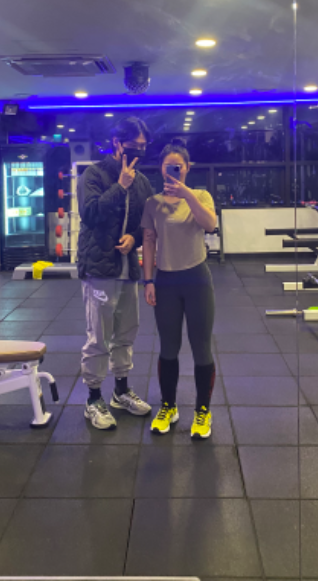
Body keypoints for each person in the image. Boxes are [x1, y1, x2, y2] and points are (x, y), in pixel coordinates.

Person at [77, 117, 154, 430]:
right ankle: (93, 398)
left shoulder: (143, 182)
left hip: (128, 268)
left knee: (126, 332)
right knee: (99, 335)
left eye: (143, 147)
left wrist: (134, 238)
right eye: (133, 146)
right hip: (99, 266)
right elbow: (90, 213)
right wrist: (120, 185)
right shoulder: (94, 175)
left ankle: (121, 391)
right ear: (117, 144)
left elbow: (146, 222)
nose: (138, 153)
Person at [141, 141, 217, 439]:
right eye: (168, 166)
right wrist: (148, 280)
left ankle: (202, 411)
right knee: (168, 348)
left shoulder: (200, 196)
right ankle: (168, 406)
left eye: (178, 166)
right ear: (161, 169)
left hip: (197, 279)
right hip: (166, 281)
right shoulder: (153, 203)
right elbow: (149, 241)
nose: (173, 171)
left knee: (201, 348)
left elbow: (209, 225)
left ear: (187, 168)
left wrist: (186, 194)